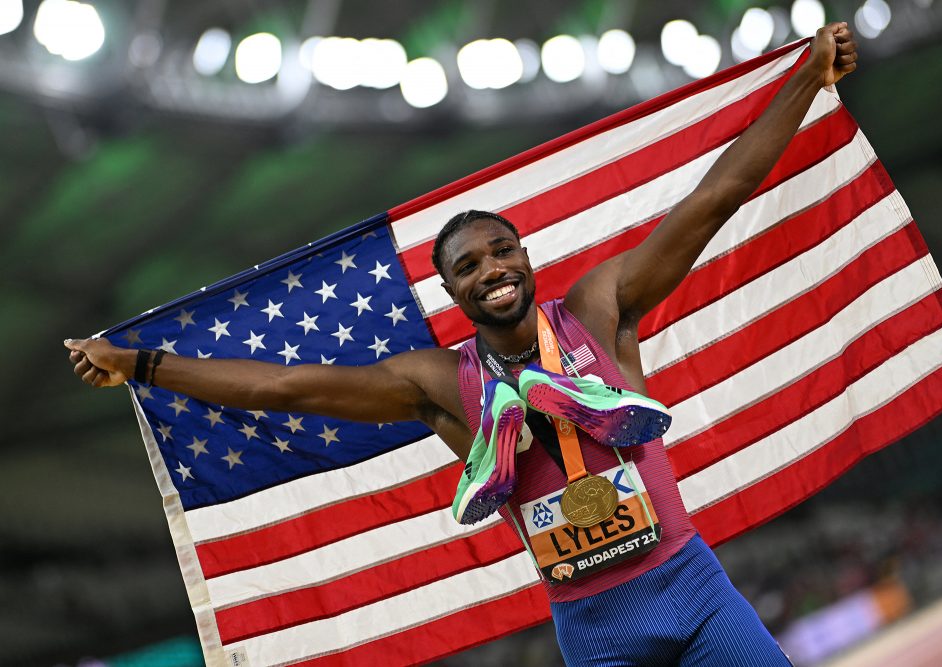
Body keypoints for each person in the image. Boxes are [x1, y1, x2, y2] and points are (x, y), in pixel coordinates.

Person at [67, 23, 857, 667]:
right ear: (451, 293)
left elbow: (716, 197)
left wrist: (807, 79)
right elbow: (287, 387)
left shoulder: (600, 305)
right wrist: (140, 363)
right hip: (596, 626)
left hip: (690, 584)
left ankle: (564, 408)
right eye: (469, 266)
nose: (492, 271)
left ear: (526, 255)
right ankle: (509, 430)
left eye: (501, 251)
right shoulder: (441, 379)